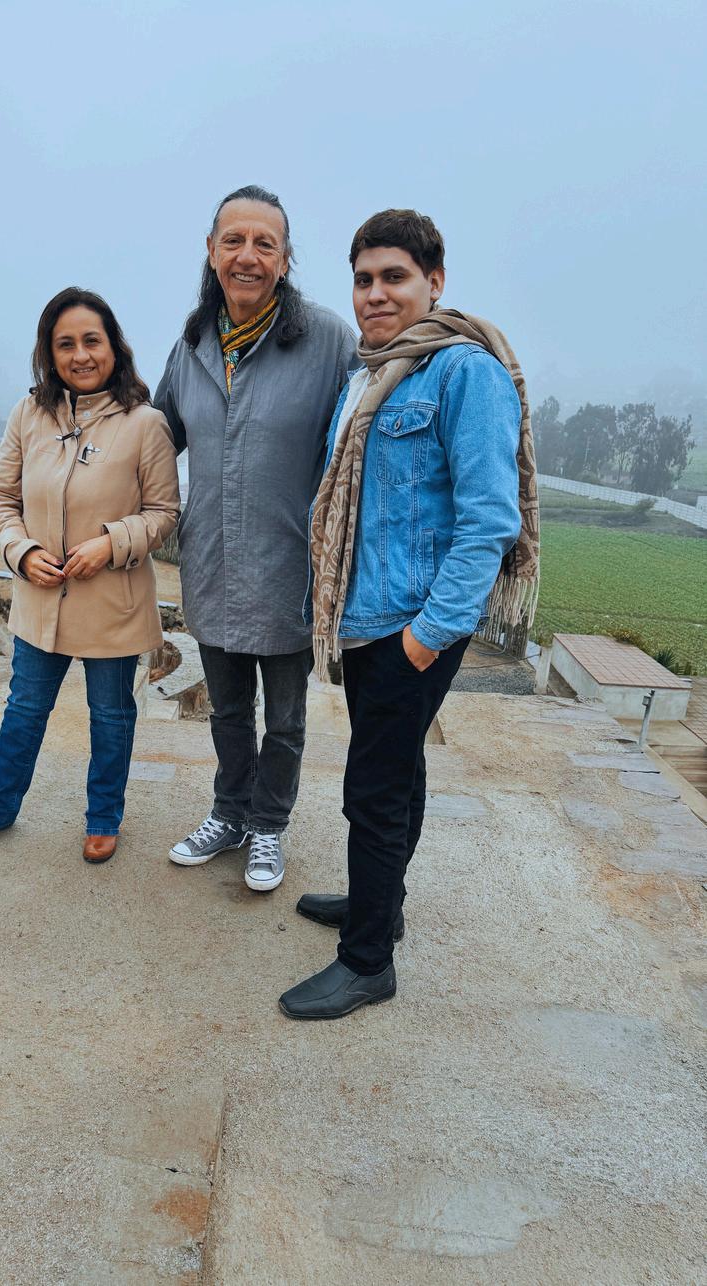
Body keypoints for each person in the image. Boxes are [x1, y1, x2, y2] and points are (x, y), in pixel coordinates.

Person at [279, 209, 539, 1019]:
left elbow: (488, 520)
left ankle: (367, 963)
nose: (376, 294)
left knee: (373, 790)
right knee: (397, 772)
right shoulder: (374, 374)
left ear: (435, 281)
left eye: (394, 277)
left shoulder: (463, 373)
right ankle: (379, 906)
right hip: (367, 620)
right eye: (363, 279)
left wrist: (425, 637)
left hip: (410, 625)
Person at [154, 185, 356, 893]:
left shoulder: (328, 342)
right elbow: (155, 436)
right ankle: (229, 813)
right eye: (233, 241)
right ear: (211, 252)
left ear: (285, 259)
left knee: (286, 720)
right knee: (229, 711)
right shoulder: (193, 344)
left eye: (264, 244)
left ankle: (269, 824)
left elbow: (366, 438)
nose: (248, 256)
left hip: (288, 566)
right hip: (211, 561)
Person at [0, 288, 180, 863]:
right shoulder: (28, 415)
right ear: (49, 353)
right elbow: (0, 498)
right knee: (24, 710)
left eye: (91, 341)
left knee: (111, 716)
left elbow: (164, 514)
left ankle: (103, 817)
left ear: (114, 347)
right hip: (40, 598)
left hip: (112, 600)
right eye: (65, 343)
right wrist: (21, 552)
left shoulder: (145, 424)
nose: (80, 355)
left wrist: (110, 544)